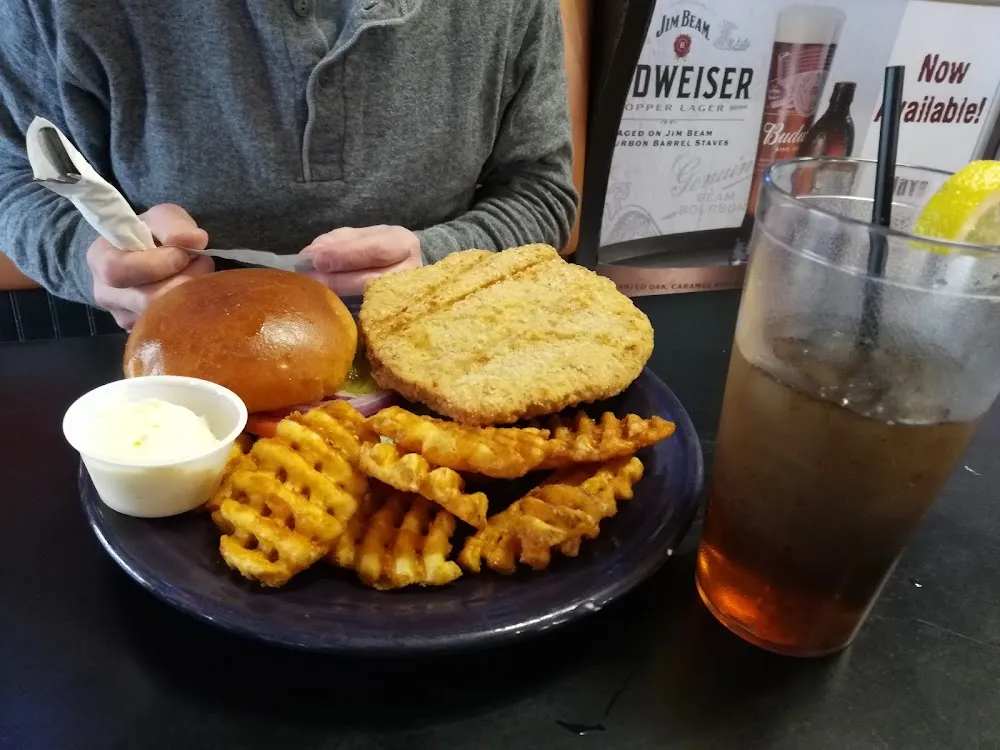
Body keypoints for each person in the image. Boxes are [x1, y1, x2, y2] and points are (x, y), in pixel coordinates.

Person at [0, 0, 577, 328]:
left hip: (440, 340)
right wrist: (93, 260)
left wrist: (439, 260)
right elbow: (17, 173)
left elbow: (540, 192)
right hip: (158, 363)